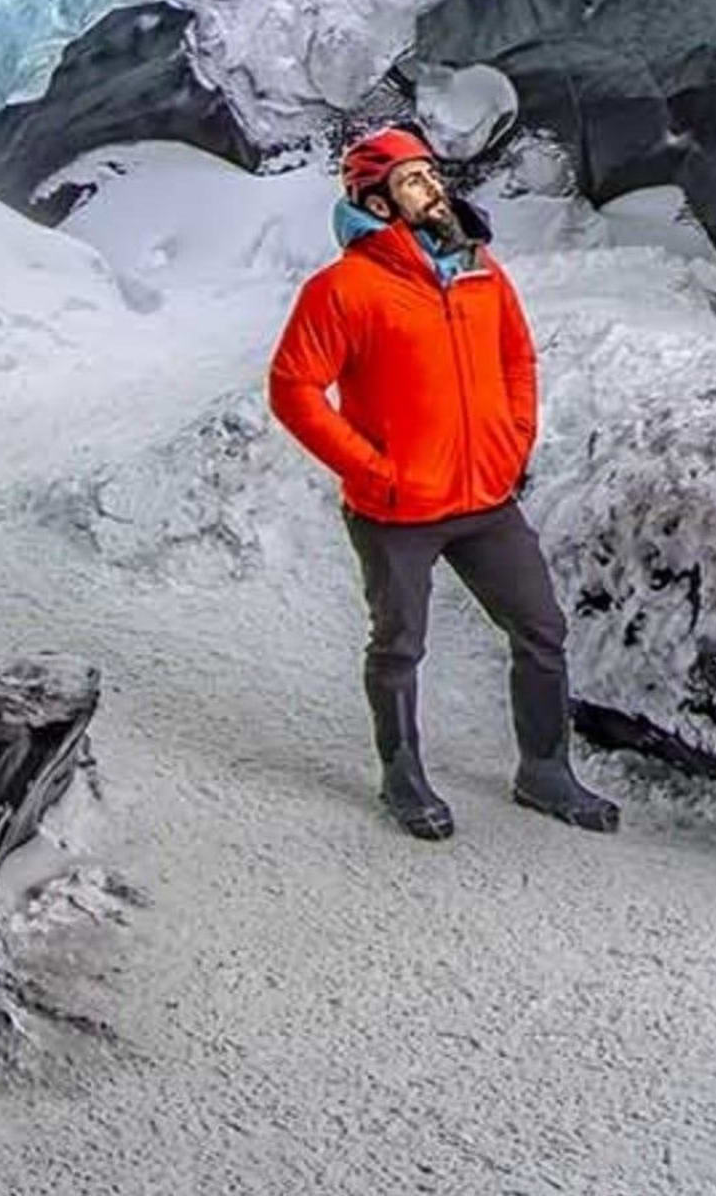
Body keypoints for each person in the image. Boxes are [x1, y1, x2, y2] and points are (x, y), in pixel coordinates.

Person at [266, 126, 622, 841]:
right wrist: (374, 468)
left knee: (541, 630)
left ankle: (545, 771)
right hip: (398, 510)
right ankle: (403, 778)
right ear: (377, 201)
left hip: (486, 501)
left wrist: (513, 440)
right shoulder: (344, 289)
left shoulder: (479, 269)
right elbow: (293, 388)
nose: (432, 188)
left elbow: (517, 359)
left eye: (431, 174)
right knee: (399, 646)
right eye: (411, 180)